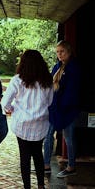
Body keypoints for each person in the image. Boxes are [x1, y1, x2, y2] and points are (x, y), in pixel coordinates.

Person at [1, 50, 53, 189]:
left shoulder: (17, 80)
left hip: (22, 124)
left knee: (25, 157)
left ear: (23, 63)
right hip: (40, 124)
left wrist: (12, 109)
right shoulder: (47, 80)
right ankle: (41, 185)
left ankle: (27, 187)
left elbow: (5, 102)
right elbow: (50, 102)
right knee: (38, 155)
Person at [44, 40, 80, 178]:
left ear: (69, 51)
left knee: (68, 138)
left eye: (62, 51)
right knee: (47, 137)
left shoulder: (74, 68)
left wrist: (63, 106)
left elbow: (72, 90)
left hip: (68, 109)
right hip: (55, 109)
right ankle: (46, 165)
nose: (59, 54)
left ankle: (71, 167)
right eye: (57, 52)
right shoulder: (57, 66)